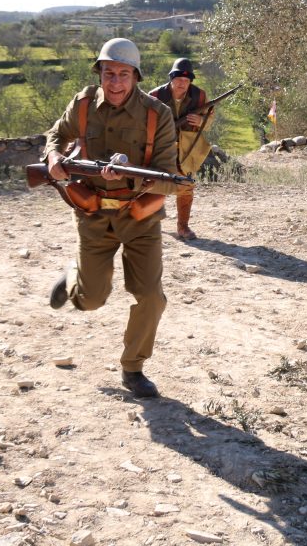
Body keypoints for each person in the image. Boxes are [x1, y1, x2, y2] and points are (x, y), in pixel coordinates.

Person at [43, 38, 181, 399]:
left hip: (140, 215)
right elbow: (57, 134)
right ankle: (74, 280)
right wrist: (54, 156)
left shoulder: (157, 115)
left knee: (151, 297)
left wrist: (128, 177)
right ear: (99, 73)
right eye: (108, 73)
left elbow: (167, 173)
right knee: (91, 302)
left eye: (123, 74)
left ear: (135, 76)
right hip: (92, 213)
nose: (115, 82)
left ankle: (133, 369)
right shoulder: (84, 104)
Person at [148, 58, 214, 240]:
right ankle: (150, 222)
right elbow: (142, 121)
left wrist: (202, 121)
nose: (182, 84)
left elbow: (210, 118)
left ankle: (183, 227)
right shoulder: (154, 96)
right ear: (171, 78)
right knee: (154, 183)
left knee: (186, 185)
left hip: (187, 148)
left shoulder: (200, 96)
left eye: (186, 81)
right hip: (160, 147)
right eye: (178, 80)